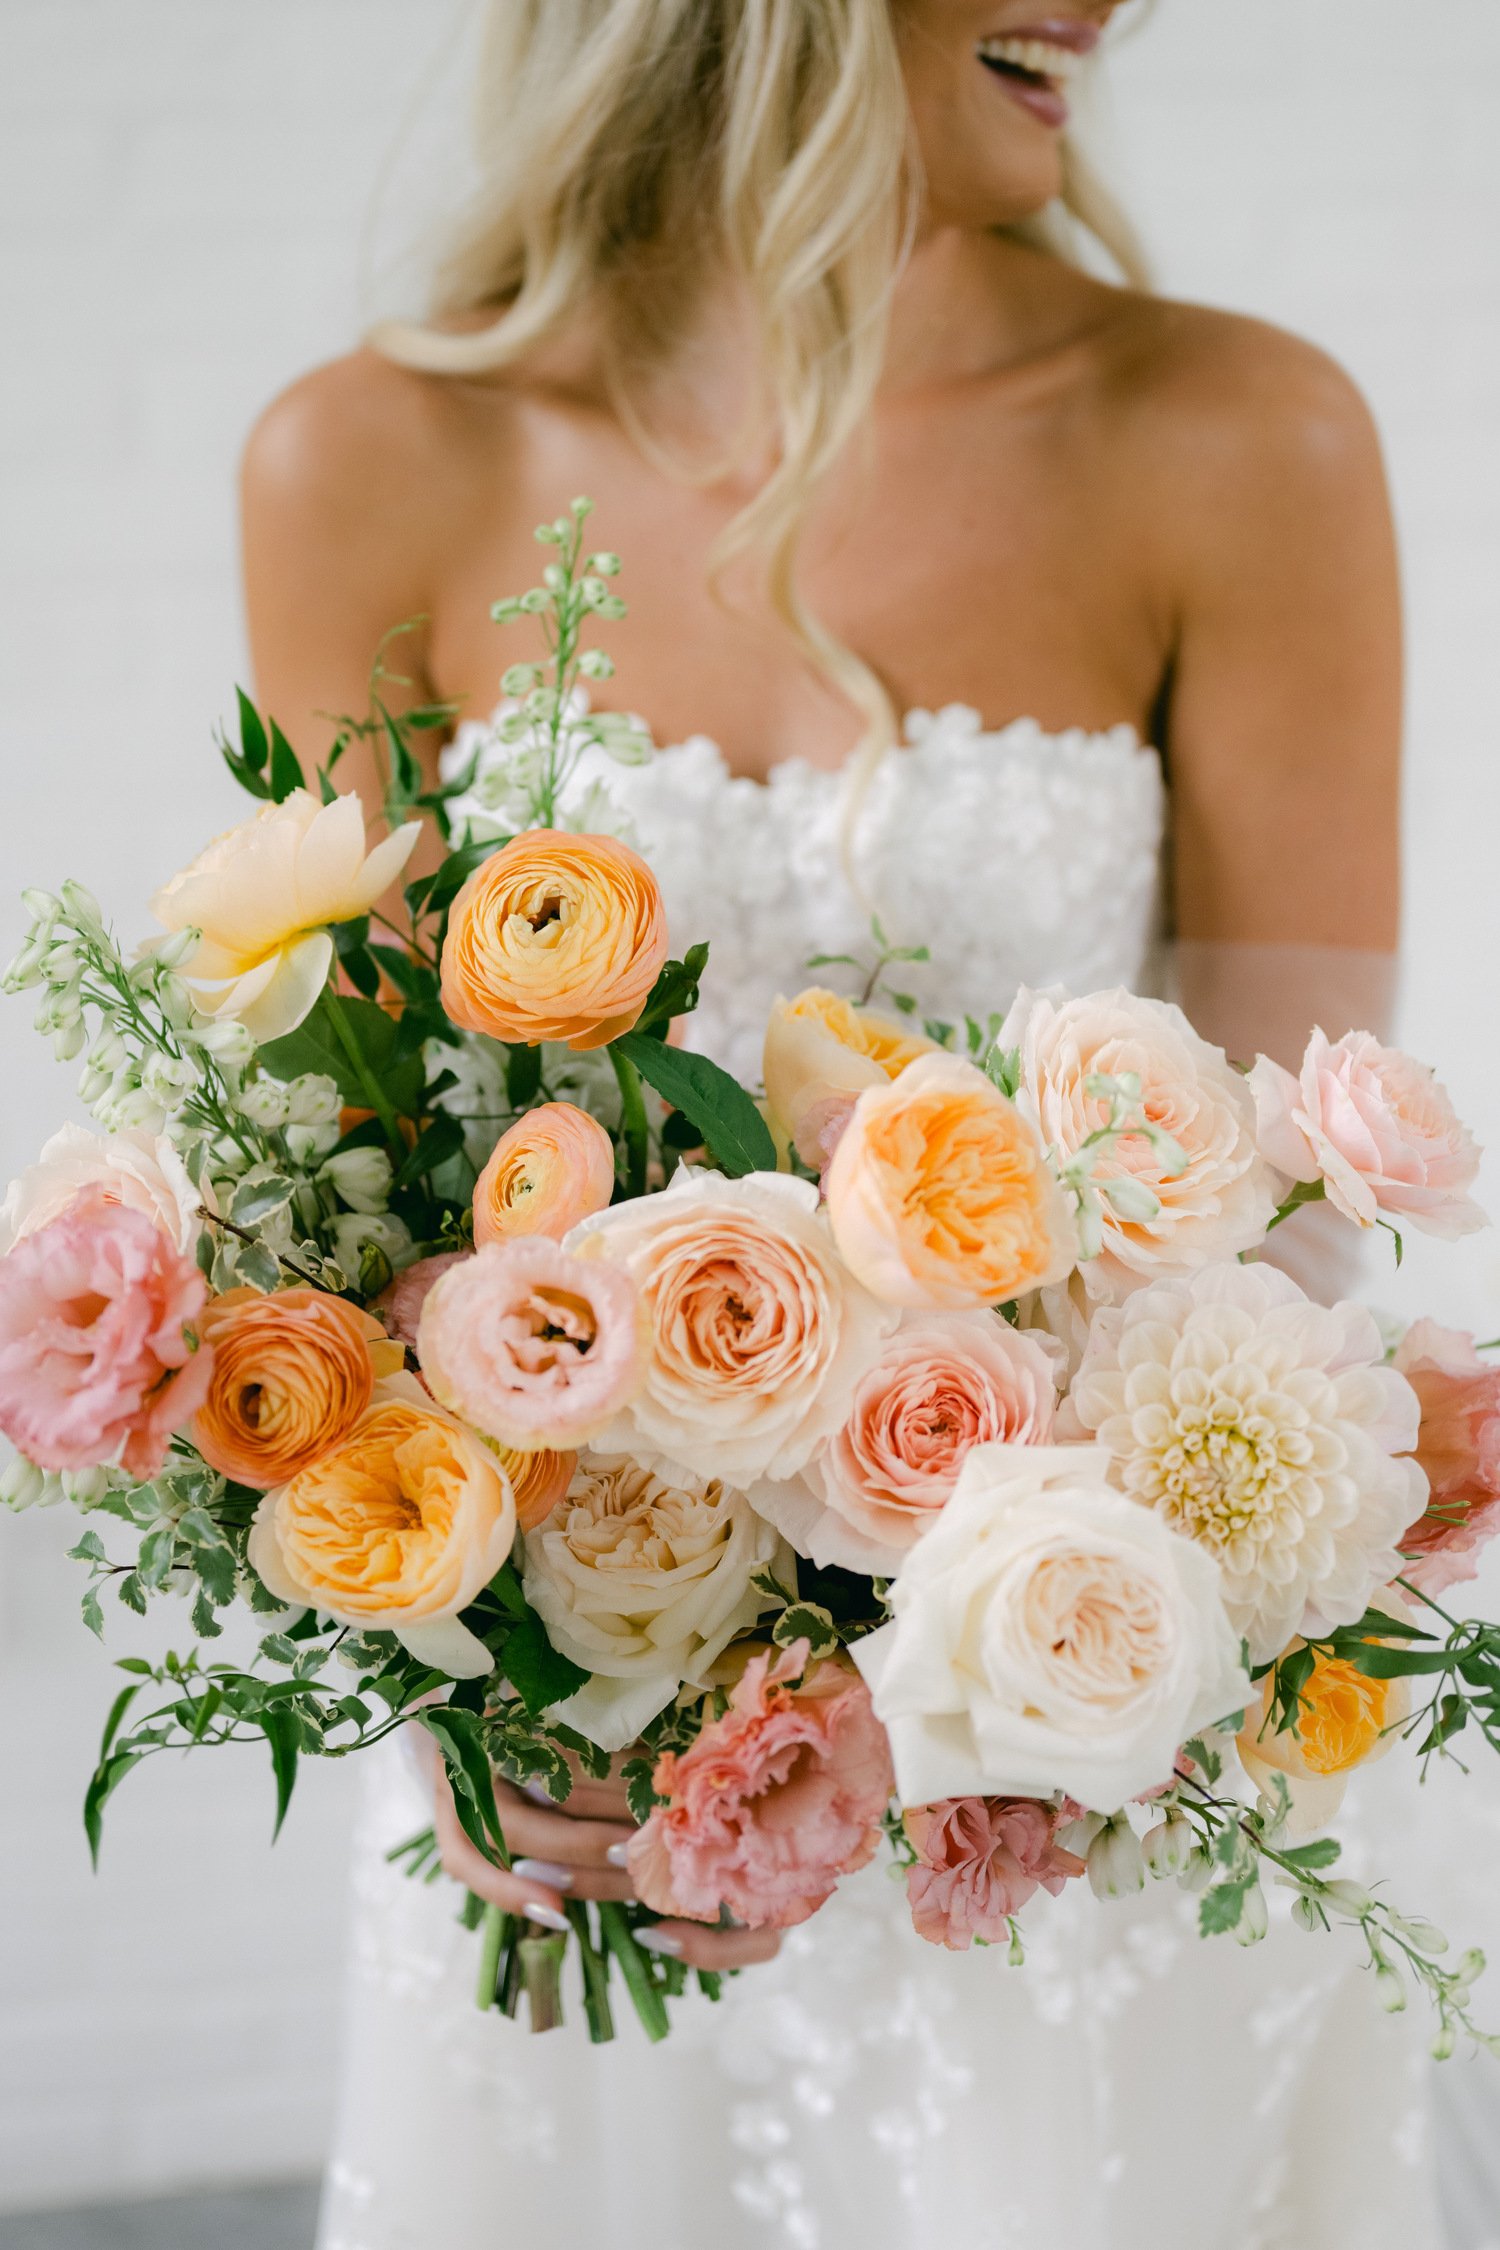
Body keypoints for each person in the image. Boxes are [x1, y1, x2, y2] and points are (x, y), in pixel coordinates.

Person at [242, 5, 1436, 2244]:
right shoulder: (362, 465)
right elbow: (371, 1213)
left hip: (1080, 1756)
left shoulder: (1236, 435)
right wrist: (465, 1666)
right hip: (571, 1811)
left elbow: (1289, 1227)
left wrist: (962, 1695)